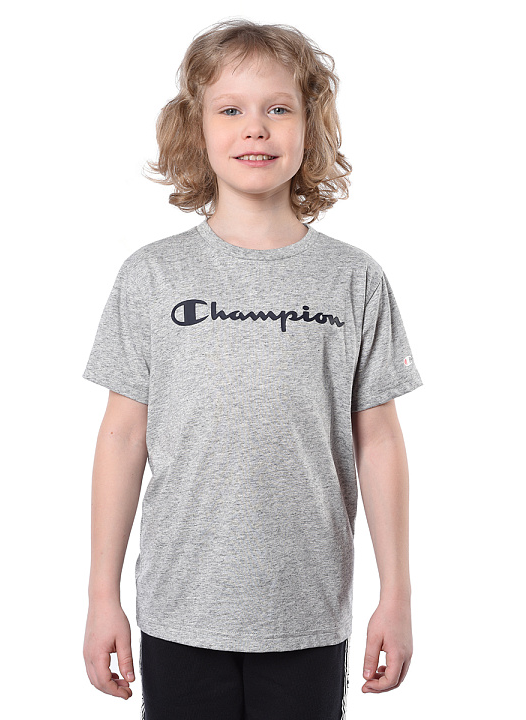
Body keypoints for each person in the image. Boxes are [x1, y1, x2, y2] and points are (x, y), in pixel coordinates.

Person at [82, 18, 423, 720]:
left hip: (307, 614)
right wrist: (100, 596)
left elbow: (380, 440)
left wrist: (397, 595)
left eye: (279, 108)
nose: (255, 129)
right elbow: (121, 437)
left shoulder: (352, 279)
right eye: (230, 110)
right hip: (179, 610)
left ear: (311, 126)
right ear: (196, 128)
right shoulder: (152, 275)